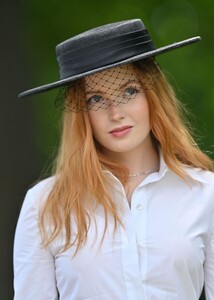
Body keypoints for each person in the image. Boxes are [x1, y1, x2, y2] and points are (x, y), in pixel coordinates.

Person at [14, 18, 214, 300]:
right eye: (95, 99)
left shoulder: (206, 193)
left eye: (129, 91)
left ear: (152, 96)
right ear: (80, 113)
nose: (115, 112)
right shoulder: (44, 205)